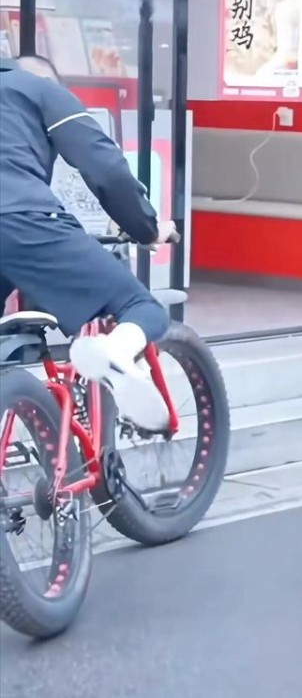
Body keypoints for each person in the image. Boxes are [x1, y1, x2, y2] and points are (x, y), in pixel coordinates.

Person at [0, 54, 175, 432]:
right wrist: (146, 228)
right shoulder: (38, 89)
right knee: (142, 307)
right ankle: (115, 353)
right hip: (21, 221)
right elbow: (106, 169)